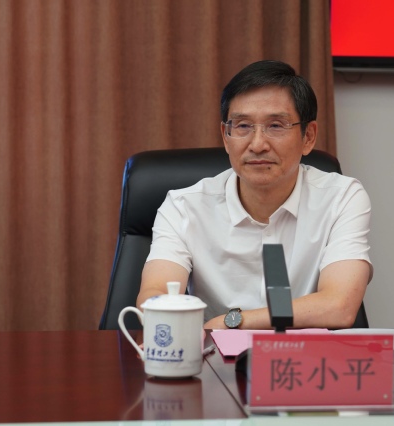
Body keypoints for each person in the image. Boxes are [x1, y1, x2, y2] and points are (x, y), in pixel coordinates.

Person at [137, 60, 372, 330]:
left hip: (304, 355)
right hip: (213, 355)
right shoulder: (184, 207)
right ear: (226, 137)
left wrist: (232, 322)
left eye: (276, 126)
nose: (258, 144)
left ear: (308, 137)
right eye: (243, 126)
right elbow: (155, 294)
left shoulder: (341, 198)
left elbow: (339, 306)